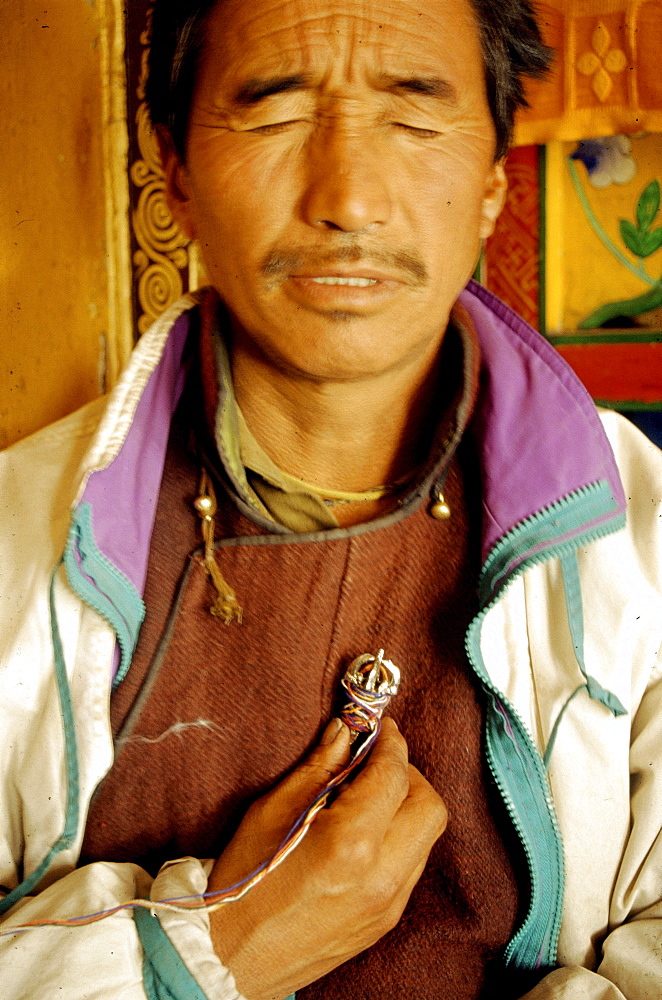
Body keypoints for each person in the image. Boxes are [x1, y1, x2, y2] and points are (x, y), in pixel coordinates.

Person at [0, 0, 661, 997]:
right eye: (273, 109)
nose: (347, 198)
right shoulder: (17, 538)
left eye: (413, 110)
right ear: (172, 168)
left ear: (490, 177)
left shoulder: (639, 537)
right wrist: (206, 956)